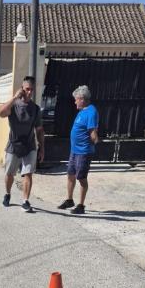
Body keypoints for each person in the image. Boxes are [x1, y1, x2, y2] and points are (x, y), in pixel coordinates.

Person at [0, 75, 44, 212]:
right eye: (27, 89)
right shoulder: (14, 106)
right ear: (22, 89)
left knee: (28, 173)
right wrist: (14, 98)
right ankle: (7, 194)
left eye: (31, 90)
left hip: (29, 145)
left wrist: (42, 148)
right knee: (9, 173)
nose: (29, 92)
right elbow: (0, 113)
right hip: (14, 144)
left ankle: (25, 200)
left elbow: (40, 130)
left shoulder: (35, 109)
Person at [57, 85, 98, 215]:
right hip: (74, 151)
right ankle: (70, 200)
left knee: (81, 178)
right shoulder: (82, 111)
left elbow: (92, 132)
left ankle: (81, 205)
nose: (74, 101)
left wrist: (96, 141)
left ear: (82, 99)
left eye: (76, 99)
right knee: (70, 175)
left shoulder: (91, 112)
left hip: (84, 152)